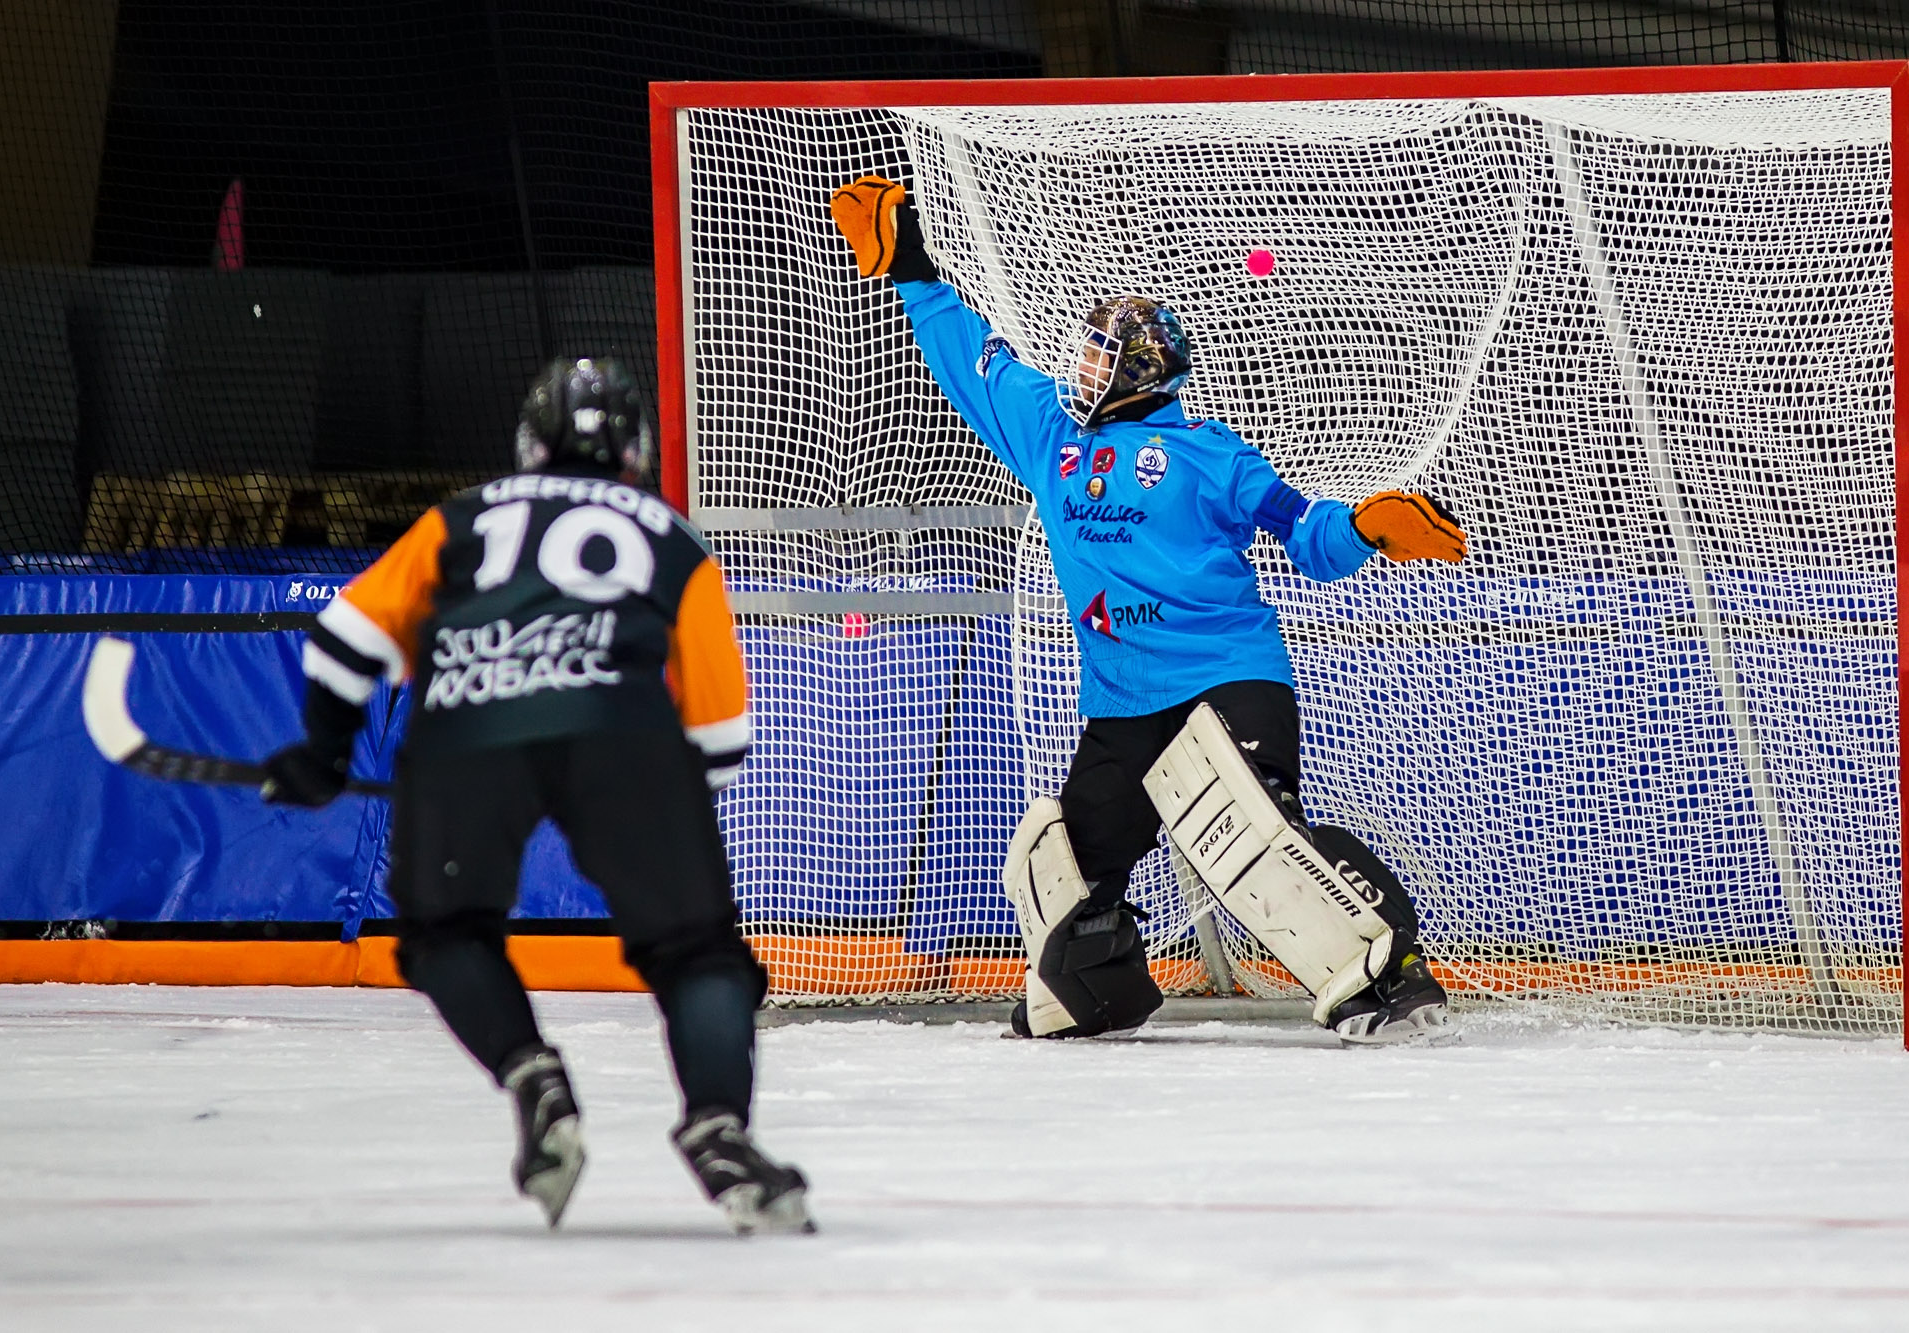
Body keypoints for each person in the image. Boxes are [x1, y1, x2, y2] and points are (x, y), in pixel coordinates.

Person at [830, 176, 1467, 1045]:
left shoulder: (1207, 455)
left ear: (1138, 374)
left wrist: (1365, 527)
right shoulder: (1054, 440)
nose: (1081, 369)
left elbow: (1307, 537)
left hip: (1228, 680)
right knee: (1064, 873)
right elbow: (976, 366)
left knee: (1257, 840)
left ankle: (1391, 972)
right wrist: (909, 267)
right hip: (1123, 705)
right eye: (1084, 352)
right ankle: (1100, 991)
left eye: (1099, 356)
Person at [258, 357, 812, 1234]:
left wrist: (324, 750)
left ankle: (532, 1075)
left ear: (531, 441)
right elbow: (720, 741)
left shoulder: (465, 516)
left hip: (468, 727)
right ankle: (720, 1128)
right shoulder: (672, 539)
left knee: (444, 933)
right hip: (623, 733)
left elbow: (342, 635)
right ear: (632, 451)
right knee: (698, 954)